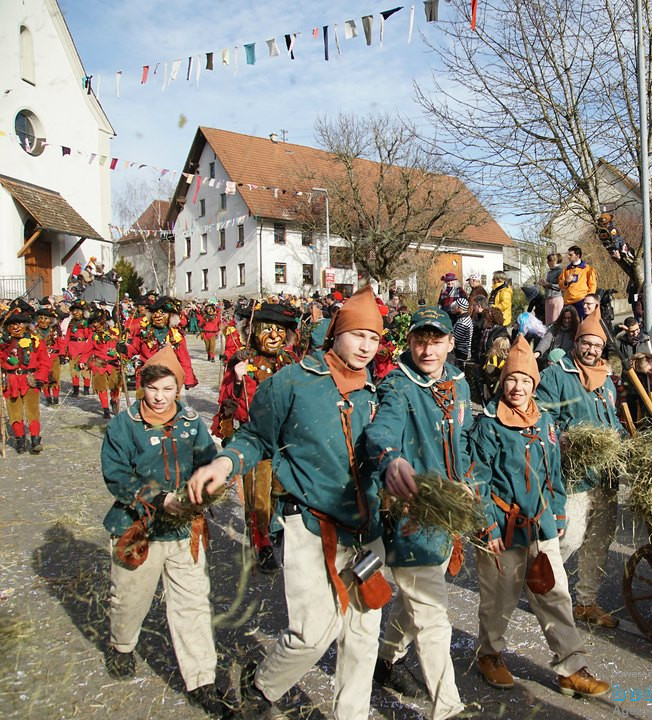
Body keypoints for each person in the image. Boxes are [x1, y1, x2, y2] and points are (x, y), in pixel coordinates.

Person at [188, 288, 390, 720]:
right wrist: (225, 463)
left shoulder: (376, 391)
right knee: (313, 633)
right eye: (357, 335)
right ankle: (263, 689)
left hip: (365, 530)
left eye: (373, 338)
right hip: (309, 524)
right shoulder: (291, 382)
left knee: (362, 634)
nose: (365, 346)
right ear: (335, 333)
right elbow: (256, 437)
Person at [472, 336, 612, 698]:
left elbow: (555, 473)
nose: (517, 388)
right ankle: (489, 654)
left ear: (534, 385)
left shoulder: (546, 422)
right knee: (499, 601)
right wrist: (488, 525)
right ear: (502, 382)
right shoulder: (488, 425)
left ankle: (572, 667)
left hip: (542, 526)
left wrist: (559, 511)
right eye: (511, 380)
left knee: (556, 596)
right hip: (502, 529)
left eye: (525, 381)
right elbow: (477, 479)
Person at [99, 348, 232, 716]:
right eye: (152, 388)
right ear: (142, 387)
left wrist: (209, 487)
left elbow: (207, 461)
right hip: (138, 526)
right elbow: (116, 475)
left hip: (185, 530)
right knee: (129, 599)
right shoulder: (124, 426)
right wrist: (156, 498)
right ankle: (122, 646)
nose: (159, 396)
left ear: (178, 389)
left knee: (192, 603)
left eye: (167, 388)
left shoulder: (191, 423)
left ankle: (202, 678)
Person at [365, 306, 474, 720]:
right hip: (410, 510)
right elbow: (381, 430)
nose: (427, 350)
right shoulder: (398, 385)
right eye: (419, 341)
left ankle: (386, 660)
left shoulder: (458, 384)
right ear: (409, 343)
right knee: (432, 613)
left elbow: (462, 439)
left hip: (448, 513)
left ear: (450, 343)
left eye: (436, 341)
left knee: (415, 601)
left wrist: (467, 481)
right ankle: (447, 707)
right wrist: (390, 458)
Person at [536, 309, 624, 629]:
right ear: (576, 343)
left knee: (598, 541)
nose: (590, 350)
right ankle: (546, 591)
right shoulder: (558, 375)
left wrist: (623, 439)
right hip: (574, 473)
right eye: (585, 343)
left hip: (606, 474)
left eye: (596, 345)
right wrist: (563, 436)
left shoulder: (607, 382)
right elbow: (539, 414)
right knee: (569, 538)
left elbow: (612, 422)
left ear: (603, 348)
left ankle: (586, 602)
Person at [210, 302, 300, 574]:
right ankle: (261, 545)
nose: (274, 336)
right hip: (256, 439)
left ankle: (278, 533)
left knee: (281, 491)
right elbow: (228, 401)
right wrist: (237, 380)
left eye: (280, 330)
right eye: (267, 329)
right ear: (253, 330)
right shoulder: (242, 360)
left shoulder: (290, 362)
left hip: (284, 440)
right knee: (258, 496)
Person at [2, 309, 50, 454]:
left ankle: (35, 440)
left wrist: (40, 378)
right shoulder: (4, 344)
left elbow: (44, 362)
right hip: (11, 381)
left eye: (19, 324)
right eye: (12, 325)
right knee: (14, 412)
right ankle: (20, 440)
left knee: (32, 411)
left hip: (30, 380)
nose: (16, 327)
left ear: (26, 325)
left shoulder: (36, 341)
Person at [127, 297, 198, 391]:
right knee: (142, 404)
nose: (157, 315)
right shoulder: (144, 332)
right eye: (155, 312)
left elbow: (183, 358)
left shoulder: (176, 335)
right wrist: (124, 349)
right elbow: (134, 348)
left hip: (169, 380)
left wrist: (188, 379)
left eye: (162, 313)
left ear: (171, 316)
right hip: (147, 379)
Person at [88, 310, 123, 419]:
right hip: (99, 363)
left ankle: (113, 401)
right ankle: (105, 409)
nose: (95, 324)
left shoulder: (114, 333)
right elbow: (87, 349)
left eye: (97, 322)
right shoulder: (93, 336)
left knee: (115, 386)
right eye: (93, 322)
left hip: (113, 364)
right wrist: (82, 361)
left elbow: (121, 346)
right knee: (101, 386)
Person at [32, 306, 64, 406]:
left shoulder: (54, 329)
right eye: (41, 318)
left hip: (54, 356)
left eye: (46, 318)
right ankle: (47, 397)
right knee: (44, 377)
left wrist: (62, 354)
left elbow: (60, 341)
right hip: (41, 358)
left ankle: (56, 397)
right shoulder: (34, 332)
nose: (43, 321)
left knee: (55, 377)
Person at [559, 246, 598, 318]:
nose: (568, 257)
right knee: (569, 324)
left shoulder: (588, 269)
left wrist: (588, 300)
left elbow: (592, 285)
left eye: (570, 255)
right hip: (568, 302)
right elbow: (560, 284)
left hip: (581, 300)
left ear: (578, 255)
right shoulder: (566, 270)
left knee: (582, 322)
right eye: (568, 255)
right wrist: (566, 281)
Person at [65, 299, 93, 397]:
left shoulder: (87, 323)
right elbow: (67, 336)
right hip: (73, 347)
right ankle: (75, 389)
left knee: (85, 369)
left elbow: (90, 336)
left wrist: (85, 327)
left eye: (78, 310)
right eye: (74, 310)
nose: (76, 312)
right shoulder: (71, 323)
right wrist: (66, 348)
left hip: (84, 347)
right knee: (74, 369)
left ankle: (86, 388)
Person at [450, 297, 474, 366]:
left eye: (456, 307)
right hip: (462, 351)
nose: (454, 308)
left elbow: (455, 339)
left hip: (462, 353)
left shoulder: (462, 322)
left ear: (460, 308)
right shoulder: (466, 318)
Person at [543, 253, 564, 325]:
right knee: (548, 323)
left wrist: (548, 284)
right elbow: (548, 286)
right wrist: (544, 284)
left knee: (555, 321)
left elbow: (561, 286)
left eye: (548, 261)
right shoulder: (549, 272)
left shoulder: (561, 271)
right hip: (548, 298)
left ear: (553, 261)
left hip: (556, 298)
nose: (547, 263)